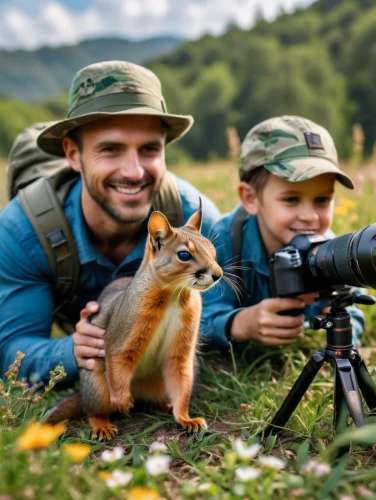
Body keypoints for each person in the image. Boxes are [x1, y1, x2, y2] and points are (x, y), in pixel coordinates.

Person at [0, 61, 220, 383]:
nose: (133, 171)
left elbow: (223, 309)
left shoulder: (194, 218)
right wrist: (73, 351)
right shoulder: (23, 233)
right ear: (73, 154)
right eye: (111, 149)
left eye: (148, 149)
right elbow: (12, 348)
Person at [201, 115, 364, 350]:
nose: (309, 216)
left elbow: (355, 310)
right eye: (291, 199)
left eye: (322, 200)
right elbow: (200, 316)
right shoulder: (226, 241)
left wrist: (340, 321)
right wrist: (238, 324)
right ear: (251, 198)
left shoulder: (330, 250)